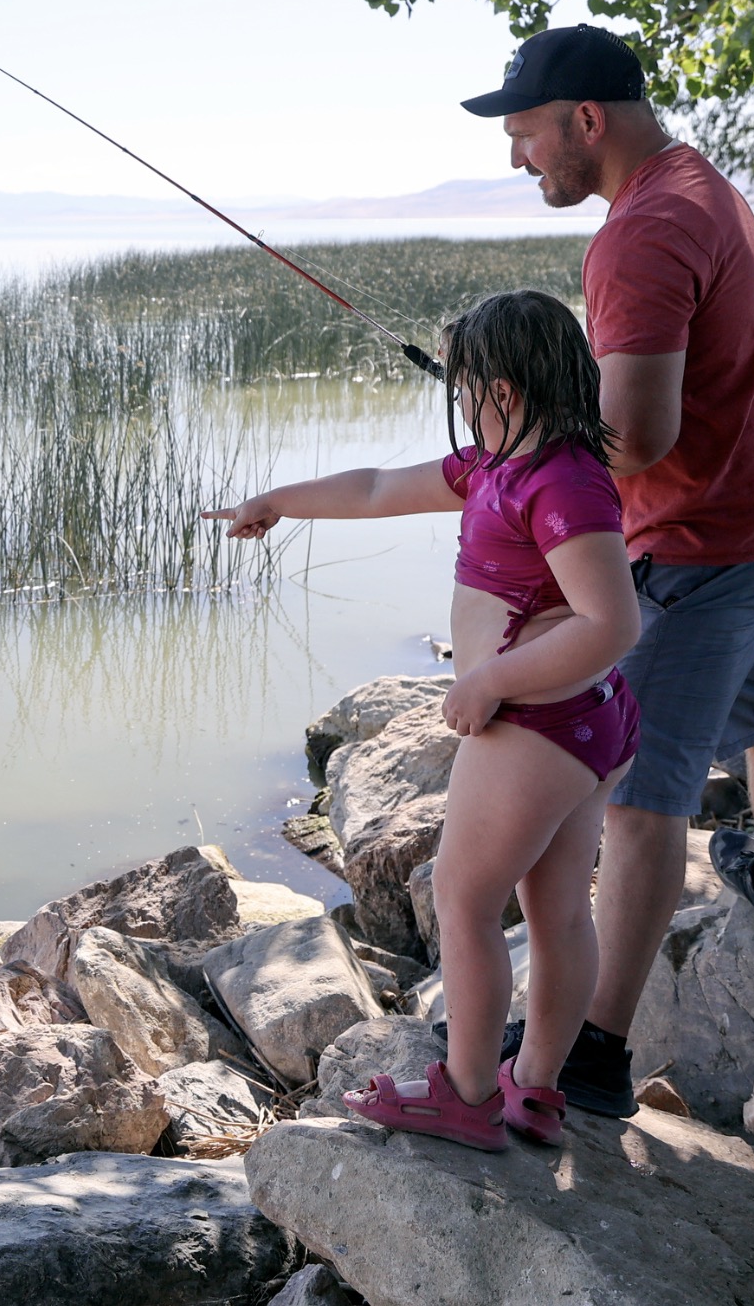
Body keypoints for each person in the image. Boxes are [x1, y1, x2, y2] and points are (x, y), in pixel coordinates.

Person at [460, 25, 754, 1119]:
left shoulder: (639, 233)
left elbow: (634, 438)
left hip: (700, 548)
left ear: (586, 120)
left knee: (640, 798)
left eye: (526, 133)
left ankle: (593, 1053)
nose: (517, 157)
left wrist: (521, 447)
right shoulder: (696, 185)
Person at [205, 290, 644, 1149]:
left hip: (537, 725)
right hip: (586, 724)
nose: (462, 403)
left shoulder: (559, 484)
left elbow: (611, 622)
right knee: (557, 910)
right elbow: (375, 487)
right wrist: (276, 498)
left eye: (466, 387)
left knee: (462, 898)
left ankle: (467, 1094)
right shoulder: (499, 465)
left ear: (504, 391)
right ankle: (535, 1089)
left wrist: (490, 681)